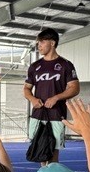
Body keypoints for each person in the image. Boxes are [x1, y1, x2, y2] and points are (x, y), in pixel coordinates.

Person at [24, 27, 79, 164]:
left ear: (52, 43)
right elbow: (26, 89)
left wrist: (56, 98)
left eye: (42, 42)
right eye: (38, 43)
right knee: (40, 151)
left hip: (56, 115)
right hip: (38, 115)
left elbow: (74, 88)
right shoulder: (34, 66)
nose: (39, 45)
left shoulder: (66, 65)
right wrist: (32, 99)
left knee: (53, 152)